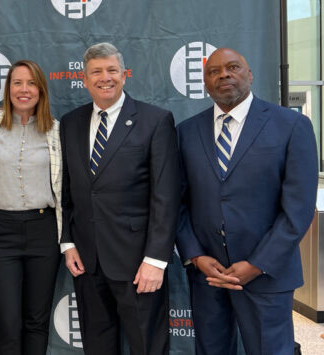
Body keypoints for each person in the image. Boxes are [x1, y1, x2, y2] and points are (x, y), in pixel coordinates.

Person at [176, 47, 317, 355]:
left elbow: (298, 210)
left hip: (267, 274)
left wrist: (257, 264)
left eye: (233, 67)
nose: (224, 74)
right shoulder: (186, 132)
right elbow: (177, 203)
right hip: (208, 277)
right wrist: (197, 257)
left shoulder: (291, 126)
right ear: (205, 82)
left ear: (249, 74)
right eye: (214, 71)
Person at [59, 42, 179, 355]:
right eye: (96, 72)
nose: (105, 77)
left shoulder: (155, 120)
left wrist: (155, 260)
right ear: (84, 80)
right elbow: (68, 189)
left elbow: (166, 196)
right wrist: (68, 242)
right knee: (96, 346)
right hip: (87, 261)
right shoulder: (71, 123)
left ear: (124, 75)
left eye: (112, 70)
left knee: (147, 345)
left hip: (139, 263)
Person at [0, 59, 62, 355]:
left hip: (43, 231)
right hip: (0, 231)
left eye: (31, 83)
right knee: (7, 322)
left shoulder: (56, 131)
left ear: (41, 90)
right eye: (17, 83)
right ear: (8, 89)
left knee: (36, 320)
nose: (24, 90)